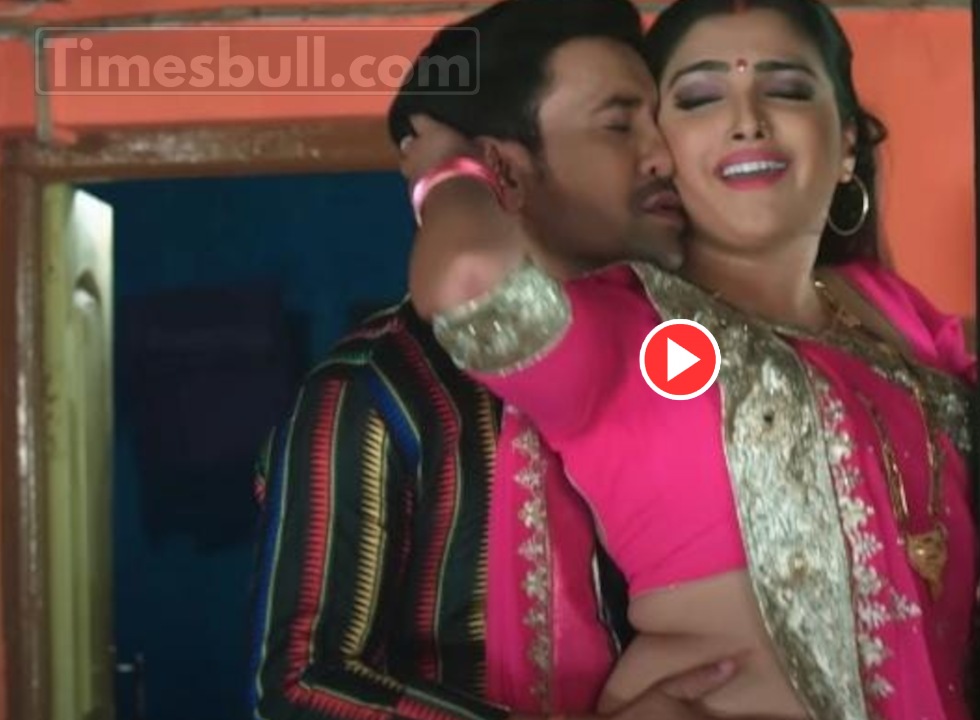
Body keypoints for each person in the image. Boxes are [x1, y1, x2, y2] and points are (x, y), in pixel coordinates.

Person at [407, 0, 980, 718]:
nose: (747, 120)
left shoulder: (896, 317)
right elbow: (472, 282)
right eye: (700, 98)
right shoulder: (638, 335)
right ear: (663, 152)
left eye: (786, 89)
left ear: (846, 144)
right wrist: (448, 163)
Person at [246, 0, 748, 718]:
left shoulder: (672, 352)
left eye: (659, 123)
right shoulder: (378, 389)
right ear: (502, 171)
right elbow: (302, 686)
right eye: (619, 125)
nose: (662, 156)